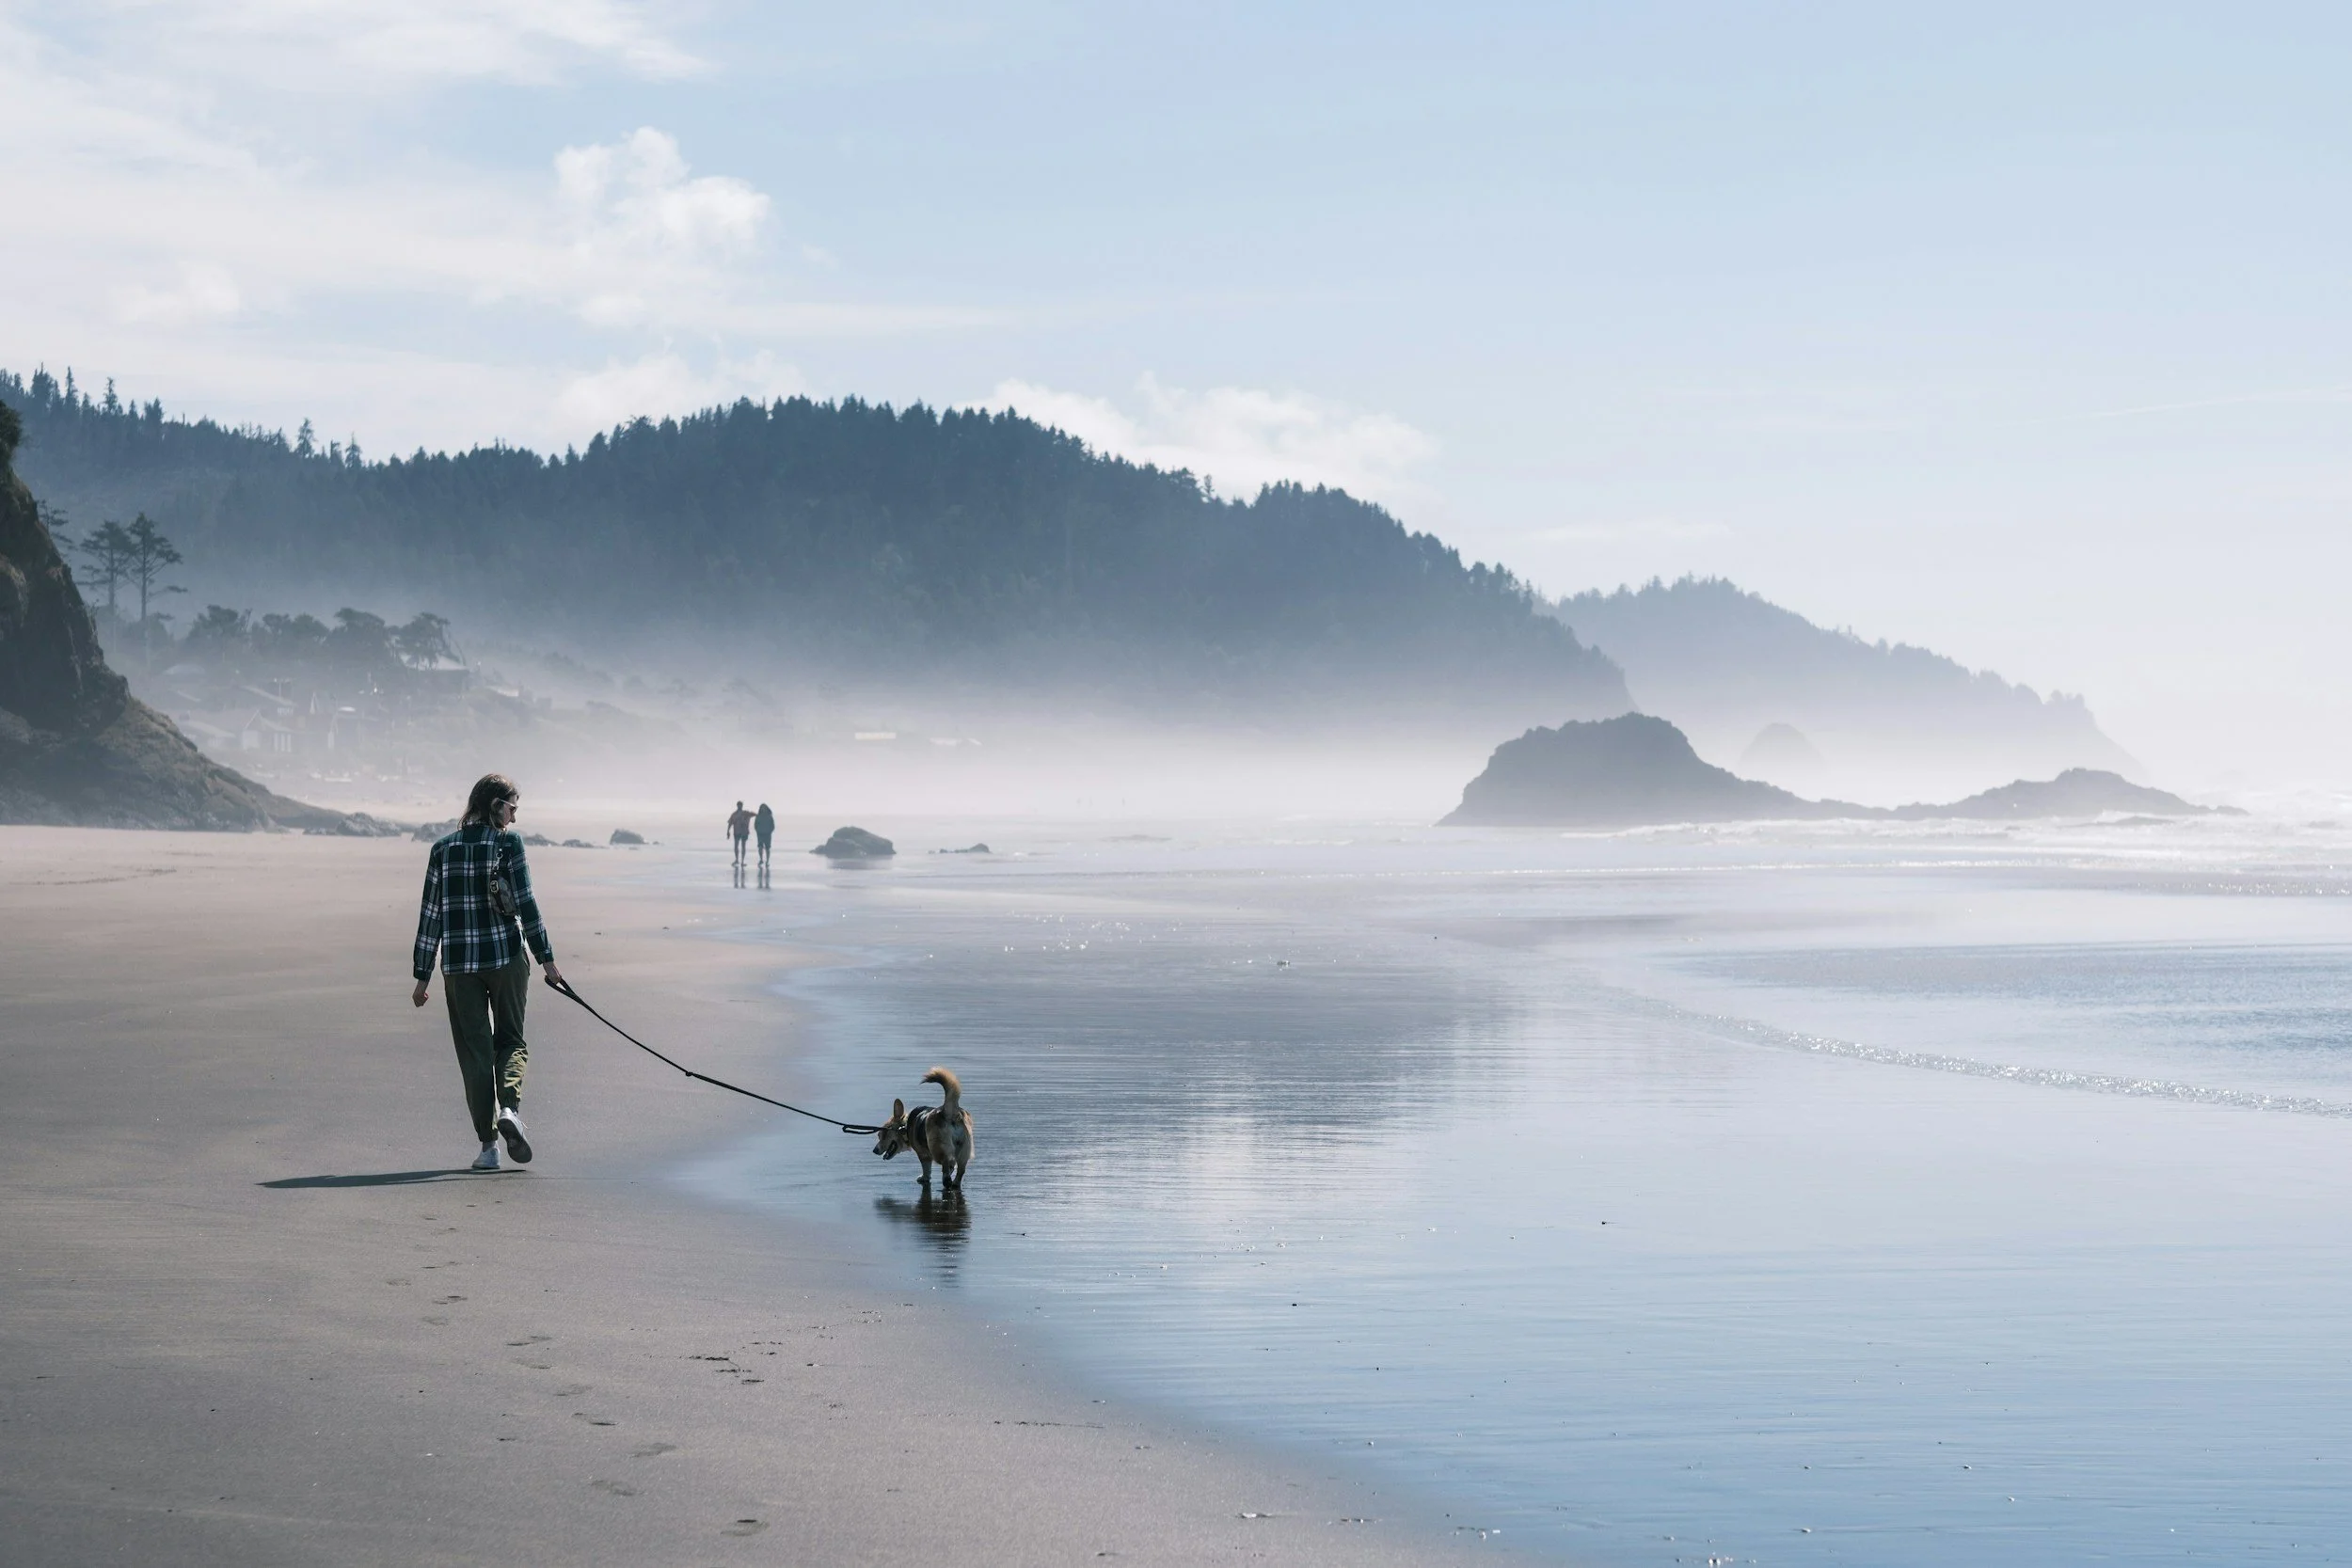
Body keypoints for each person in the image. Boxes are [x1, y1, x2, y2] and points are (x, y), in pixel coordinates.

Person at [411, 773, 563, 1171]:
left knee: (475, 1053)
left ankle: (487, 1148)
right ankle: (509, 1109)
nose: (513, 819)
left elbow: (431, 915)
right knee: (511, 1039)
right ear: (496, 806)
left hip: (459, 966)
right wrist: (547, 960)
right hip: (506, 957)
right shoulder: (507, 844)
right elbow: (527, 904)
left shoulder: (442, 850)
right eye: (512, 808)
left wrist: (421, 975)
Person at [726, 800, 754, 869]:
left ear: (742, 806)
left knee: (743, 846)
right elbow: (730, 823)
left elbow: (754, 814)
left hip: (744, 831)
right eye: (739, 805)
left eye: (740, 805)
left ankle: (742, 861)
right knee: (736, 846)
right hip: (737, 831)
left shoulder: (745, 813)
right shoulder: (734, 814)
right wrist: (728, 831)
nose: (740, 806)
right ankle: (737, 860)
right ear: (737, 805)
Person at [754, 801, 775, 871]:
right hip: (760, 834)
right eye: (762, 808)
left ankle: (767, 860)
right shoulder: (758, 816)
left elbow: (773, 826)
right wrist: (758, 831)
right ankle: (761, 859)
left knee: (767, 848)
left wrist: (770, 831)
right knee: (760, 847)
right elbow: (755, 825)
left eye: (764, 808)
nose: (763, 809)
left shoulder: (769, 816)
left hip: (767, 834)